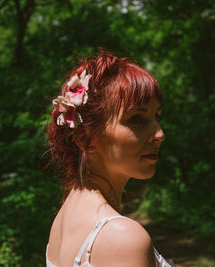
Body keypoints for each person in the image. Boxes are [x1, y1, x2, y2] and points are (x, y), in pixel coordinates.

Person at [45, 50, 175, 267]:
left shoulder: (63, 219)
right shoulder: (123, 238)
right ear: (85, 140)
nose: (160, 134)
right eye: (137, 120)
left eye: (157, 117)